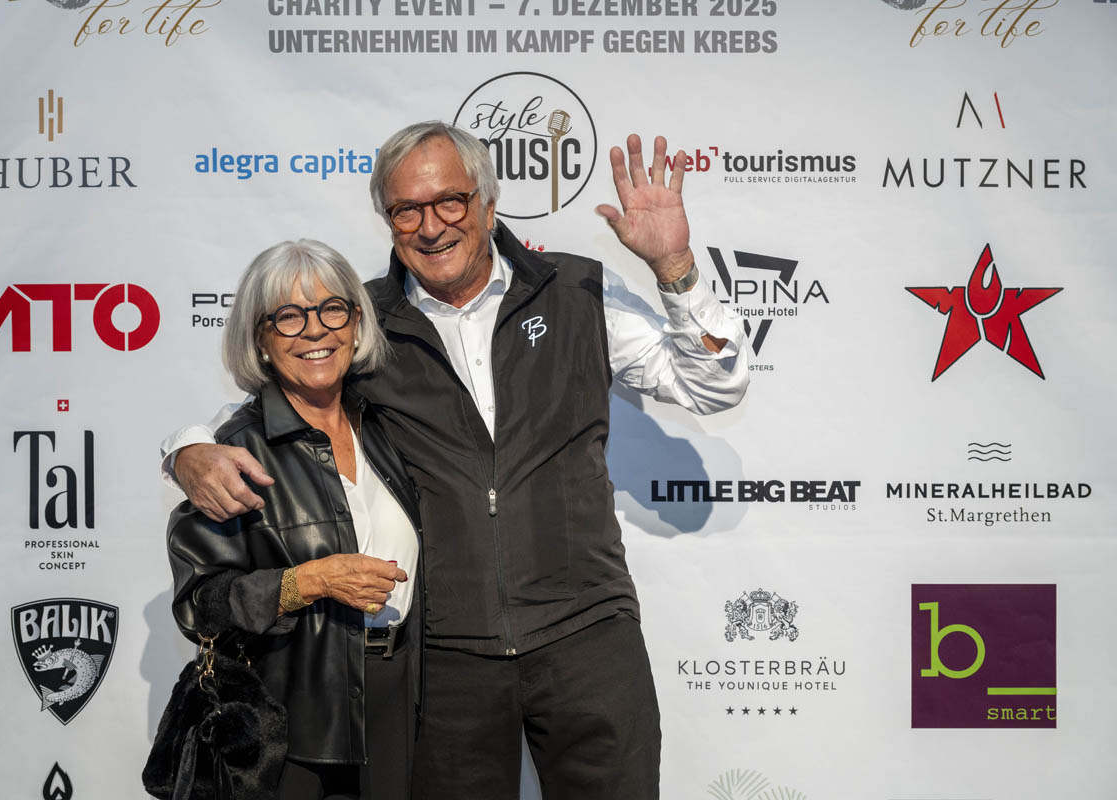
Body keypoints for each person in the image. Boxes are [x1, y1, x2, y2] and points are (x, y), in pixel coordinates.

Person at [162, 122, 749, 799]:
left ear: (488, 205)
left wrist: (675, 269)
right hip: (445, 661)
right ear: (388, 223)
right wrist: (188, 450)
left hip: (588, 637)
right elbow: (271, 406)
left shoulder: (576, 290)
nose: (431, 225)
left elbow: (714, 388)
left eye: (449, 201)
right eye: (406, 210)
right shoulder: (365, 323)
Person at [167, 239, 421, 800]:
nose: (314, 331)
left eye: (332, 309)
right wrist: (307, 582)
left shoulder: (389, 427)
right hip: (287, 721)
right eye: (288, 316)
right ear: (260, 339)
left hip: (399, 704)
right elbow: (199, 605)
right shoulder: (233, 453)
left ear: (356, 323)